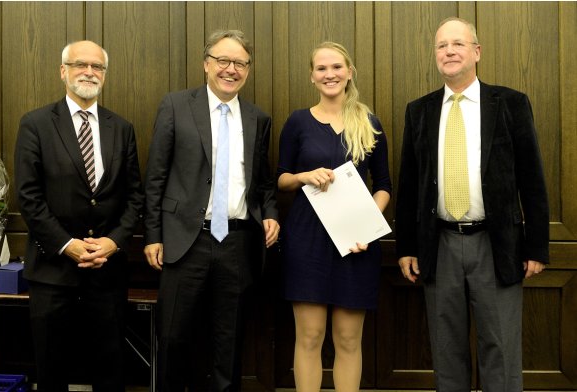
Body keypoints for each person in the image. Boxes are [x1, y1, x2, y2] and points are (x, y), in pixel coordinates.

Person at [395, 17, 549, 392]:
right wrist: (407, 248)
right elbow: (409, 186)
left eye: (458, 44)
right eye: (442, 45)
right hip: (440, 246)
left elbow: (532, 179)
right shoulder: (420, 111)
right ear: (435, 55)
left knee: (500, 347)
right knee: (446, 352)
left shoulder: (511, 104)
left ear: (476, 52)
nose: (449, 51)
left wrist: (537, 247)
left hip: (496, 246)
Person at [143, 29, 279, 392]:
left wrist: (270, 213)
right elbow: (155, 176)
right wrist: (153, 236)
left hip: (237, 243)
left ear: (248, 70)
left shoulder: (257, 119)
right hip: (184, 241)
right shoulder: (175, 105)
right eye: (223, 60)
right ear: (206, 64)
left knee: (228, 343)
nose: (231, 69)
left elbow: (263, 182)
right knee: (173, 339)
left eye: (240, 63)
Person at [14, 40, 144, 392]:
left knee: (110, 370)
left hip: (107, 275)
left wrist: (113, 242)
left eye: (97, 67)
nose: (89, 72)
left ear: (105, 74)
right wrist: (67, 244)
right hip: (53, 273)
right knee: (52, 370)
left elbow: (135, 197)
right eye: (80, 65)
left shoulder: (122, 128)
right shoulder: (36, 124)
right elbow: (28, 197)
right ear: (63, 71)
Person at [277, 42, 392, 392]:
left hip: (355, 244)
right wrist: (303, 176)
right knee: (310, 337)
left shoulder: (369, 123)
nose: (330, 74)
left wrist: (367, 227)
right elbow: (281, 179)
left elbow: (384, 185)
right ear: (312, 76)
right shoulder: (297, 121)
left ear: (349, 72)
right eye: (322, 69)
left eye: (337, 67)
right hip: (306, 241)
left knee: (347, 340)